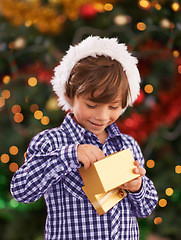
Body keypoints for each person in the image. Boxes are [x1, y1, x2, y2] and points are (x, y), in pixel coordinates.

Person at [10, 36, 158, 239]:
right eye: (91, 105)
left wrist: (137, 187)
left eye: (113, 107)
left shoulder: (127, 145)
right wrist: (68, 156)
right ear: (70, 95)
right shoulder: (51, 142)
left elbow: (146, 208)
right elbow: (21, 190)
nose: (102, 116)